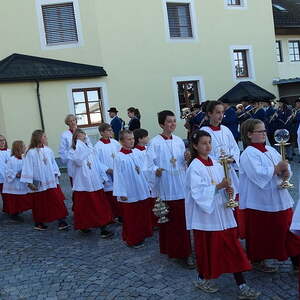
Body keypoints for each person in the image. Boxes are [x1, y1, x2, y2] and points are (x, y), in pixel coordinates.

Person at [185, 130, 260, 299]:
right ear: (195, 146)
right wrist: (218, 187)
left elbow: (226, 185)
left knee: (233, 249)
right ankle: (202, 278)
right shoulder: (194, 167)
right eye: (203, 143)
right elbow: (197, 193)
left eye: (209, 142)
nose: (207, 146)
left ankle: (242, 285)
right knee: (208, 250)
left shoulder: (218, 164)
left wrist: (229, 190)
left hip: (222, 215)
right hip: (206, 218)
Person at [240, 119, 300, 273]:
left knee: (289, 229)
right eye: (260, 131)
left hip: (279, 198)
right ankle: (258, 260)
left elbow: (283, 168)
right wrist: (276, 168)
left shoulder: (271, 150)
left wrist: (286, 173)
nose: (264, 134)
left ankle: (296, 261)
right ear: (249, 134)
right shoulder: (248, 154)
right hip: (260, 201)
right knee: (261, 233)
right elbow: (257, 174)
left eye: (264, 131)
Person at [146, 110, 193, 268]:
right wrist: (155, 170)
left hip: (180, 184)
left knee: (180, 221)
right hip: (166, 185)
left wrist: (186, 158)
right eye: (169, 121)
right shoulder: (155, 142)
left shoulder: (179, 140)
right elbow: (148, 165)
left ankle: (179, 250)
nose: (172, 124)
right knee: (172, 221)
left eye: (174, 121)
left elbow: (182, 162)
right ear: (161, 124)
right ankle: (180, 252)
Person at [201, 101, 245, 238]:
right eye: (217, 112)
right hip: (214, 173)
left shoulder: (226, 130)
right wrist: (219, 161)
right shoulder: (203, 132)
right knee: (221, 202)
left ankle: (235, 234)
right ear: (209, 114)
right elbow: (203, 153)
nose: (221, 116)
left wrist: (232, 158)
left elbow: (234, 148)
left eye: (222, 112)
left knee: (233, 199)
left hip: (230, 171)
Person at [20, 130, 69, 231]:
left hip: (50, 181)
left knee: (57, 201)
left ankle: (61, 221)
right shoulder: (31, 153)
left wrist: (57, 173)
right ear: (38, 138)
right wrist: (29, 182)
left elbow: (53, 163)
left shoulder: (48, 150)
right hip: (39, 183)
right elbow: (27, 167)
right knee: (39, 204)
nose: (46, 138)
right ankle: (39, 223)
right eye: (44, 136)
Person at [69, 129, 113, 236]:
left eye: (84, 136)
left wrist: (104, 174)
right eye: (80, 137)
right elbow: (78, 161)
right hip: (83, 183)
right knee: (85, 207)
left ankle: (103, 227)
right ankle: (84, 225)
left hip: (94, 181)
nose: (83, 139)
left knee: (99, 205)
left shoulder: (90, 149)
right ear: (75, 139)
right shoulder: (73, 151)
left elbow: (97, 163)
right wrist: (81, 145)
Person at [113, 130, 153, 248]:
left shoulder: (135, 153)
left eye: (132, 139)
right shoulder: (119, 157)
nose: (132, 141)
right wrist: (122, 192)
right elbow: (118, 176)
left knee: (141, 214)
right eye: (128, 139)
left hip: (140, 187)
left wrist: (148, 185)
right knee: (131, 217)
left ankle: (142, 234)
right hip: (129, 191)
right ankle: (133, 239)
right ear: (121, 141)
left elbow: (143, 170)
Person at [94, 123, 121, 221]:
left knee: (119, 192)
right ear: (102, 132)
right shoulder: (97, 146)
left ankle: (120, 214)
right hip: (107, 174)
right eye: (108, 130)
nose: (111, 132)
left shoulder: (115, 143)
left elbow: (120, 154)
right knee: (110, 195)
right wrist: (107, 169)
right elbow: (97, 161)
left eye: (111, 130)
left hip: (117, 172)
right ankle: (112, 215)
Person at [133, 128, 158, 228]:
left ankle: (156, 220)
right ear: (139, 139)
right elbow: (141, 168)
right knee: (148, 203)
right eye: (146, 136)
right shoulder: (135, 152)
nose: (148, 138)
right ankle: (150, 222)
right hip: (145, 180)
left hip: (153, 178)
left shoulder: (148, 149)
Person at [2, 140, 32, 221]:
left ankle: (19, 211)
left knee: (25, 198)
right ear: (19, 148)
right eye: (23, 146)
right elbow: (7, 171)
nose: (25, 147)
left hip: (22, 182)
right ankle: (14, 213)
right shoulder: (11, 159)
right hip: (14, 183)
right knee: (15, 199)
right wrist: (16, 174)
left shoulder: (25, 158)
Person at [58, 114, 91, 185]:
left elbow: (89, 144)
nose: (73, 122)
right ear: (67, 123)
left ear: (76, 121)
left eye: (74, 120)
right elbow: (62, 150)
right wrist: (71, 156)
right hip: (73, 162)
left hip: (84, 160)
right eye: (70, 121)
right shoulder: (65, 135)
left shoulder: (83, 132)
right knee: (76, 182)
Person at [0, 135, 10, 213]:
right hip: (1, 178)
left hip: (9, 177)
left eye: (3, 140)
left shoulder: (9, 151)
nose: (2, 142)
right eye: (0, 140)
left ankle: (9, 209)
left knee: (8, 195)